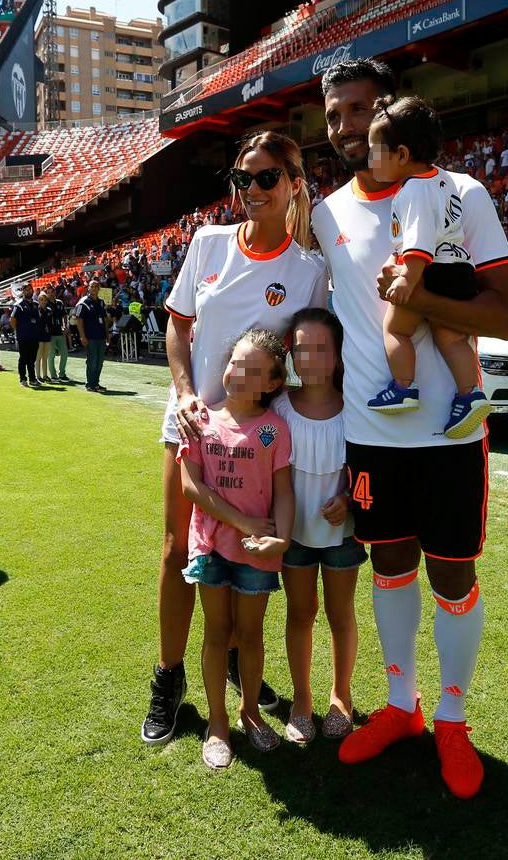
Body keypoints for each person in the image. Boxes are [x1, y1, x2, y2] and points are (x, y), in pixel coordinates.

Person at [313, 58, 508, 800]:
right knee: (390, 566)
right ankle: (401, 708)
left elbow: (505, 315)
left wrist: (422, 295)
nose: (344, 129)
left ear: (390, 113)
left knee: (453, 574)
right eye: (334, 115)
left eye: (358, 112)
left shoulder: (461, 195)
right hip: (373, 434)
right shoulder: (325, 212)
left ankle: (453, 719)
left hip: (451, 437)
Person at [141, 130, 328, 748]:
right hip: (193, 421)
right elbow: (178, 325)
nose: (250, 190)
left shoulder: (308, 273)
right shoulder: (208, 241)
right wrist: (185, 389)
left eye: (266, 178)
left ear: (294, 184)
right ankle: (168, 679)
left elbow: (307, 359)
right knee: (178, 554)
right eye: (242, 179)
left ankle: (235, 674)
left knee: (247, 556)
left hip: (256, 442)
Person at [178, 329, 293, 767]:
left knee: (250, 636)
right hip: (211, 548)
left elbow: (284, 492)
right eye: (234, 362)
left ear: (271, 384)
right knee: (216, 633)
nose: (236, 373)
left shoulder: (274, 429)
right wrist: (243, 521)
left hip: (257, 554)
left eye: (250, 370)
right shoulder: (201, 419)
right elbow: (191, 486)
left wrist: (280, 537)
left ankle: (248, 713)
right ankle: (218, 722)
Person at [364, 95, 491, 440]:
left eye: (375, 150)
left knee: (395, 330)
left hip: (430, 271)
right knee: (450, 336)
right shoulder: (444, 181)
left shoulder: (411, 191)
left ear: (402, 155)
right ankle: (469, 393)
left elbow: (419, 241)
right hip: (459, 270)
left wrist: (408, 278)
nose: (369, 157)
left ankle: (403, 387)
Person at [273, 309, 365, 744]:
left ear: (339, 355)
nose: (310, 358)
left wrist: (347, 499)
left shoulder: (357, 408)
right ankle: (302, 700)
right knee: (300, 613)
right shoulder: (278, 408)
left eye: (321, 349)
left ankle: (341, 696)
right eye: (301, 348)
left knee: (339, 614)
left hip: (343, 538)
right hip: (294, 539)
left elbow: (367, 467)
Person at [75, 279, 108, 393]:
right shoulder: (83, 302)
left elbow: (104, 320)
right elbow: (79, 320)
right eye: (91, 286)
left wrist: (107, 335)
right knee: (92, 361)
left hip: (101, 336)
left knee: (100, 361)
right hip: (90, 337)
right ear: (88, 288)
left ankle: (96, 383)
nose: (94, 288)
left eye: (96, 286)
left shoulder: (101, 302)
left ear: (99, 289)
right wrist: (82, 336)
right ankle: (90, 384)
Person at [10, 283, 40, 387]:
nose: (29, 291)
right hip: (23, 336)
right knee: (23, 358)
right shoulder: (18, 305)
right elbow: (12, 319)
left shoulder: (36, 304)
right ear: (23, 292)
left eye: (30, 289)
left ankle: (32, 379)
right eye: (26, 290)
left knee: (32, 359)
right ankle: (23, 379)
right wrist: (18, 330)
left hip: (34, 336)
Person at [46, 289, 70, 383]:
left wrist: (65, 326)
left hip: (60, 332)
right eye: (49, 292)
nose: (51, 294)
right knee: (51, 355)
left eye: (53, 292)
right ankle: (53, 375)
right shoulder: (45, 303)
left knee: (64, 353)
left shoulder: (59, 303)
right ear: (47, 293)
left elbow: (64, 315)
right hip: (50, 333)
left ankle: (62, 374)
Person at [35, 291, 53, 383]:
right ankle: (38, 376)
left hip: (47, 336)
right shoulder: (36, 310)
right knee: (38, 357)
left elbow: (50, 324)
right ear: (38, 301)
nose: (42, 301)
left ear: (46, 301)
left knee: (45, 357)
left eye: (44, 299)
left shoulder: (49, 310)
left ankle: (45, 375)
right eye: (41, 299)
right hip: (38, 336)